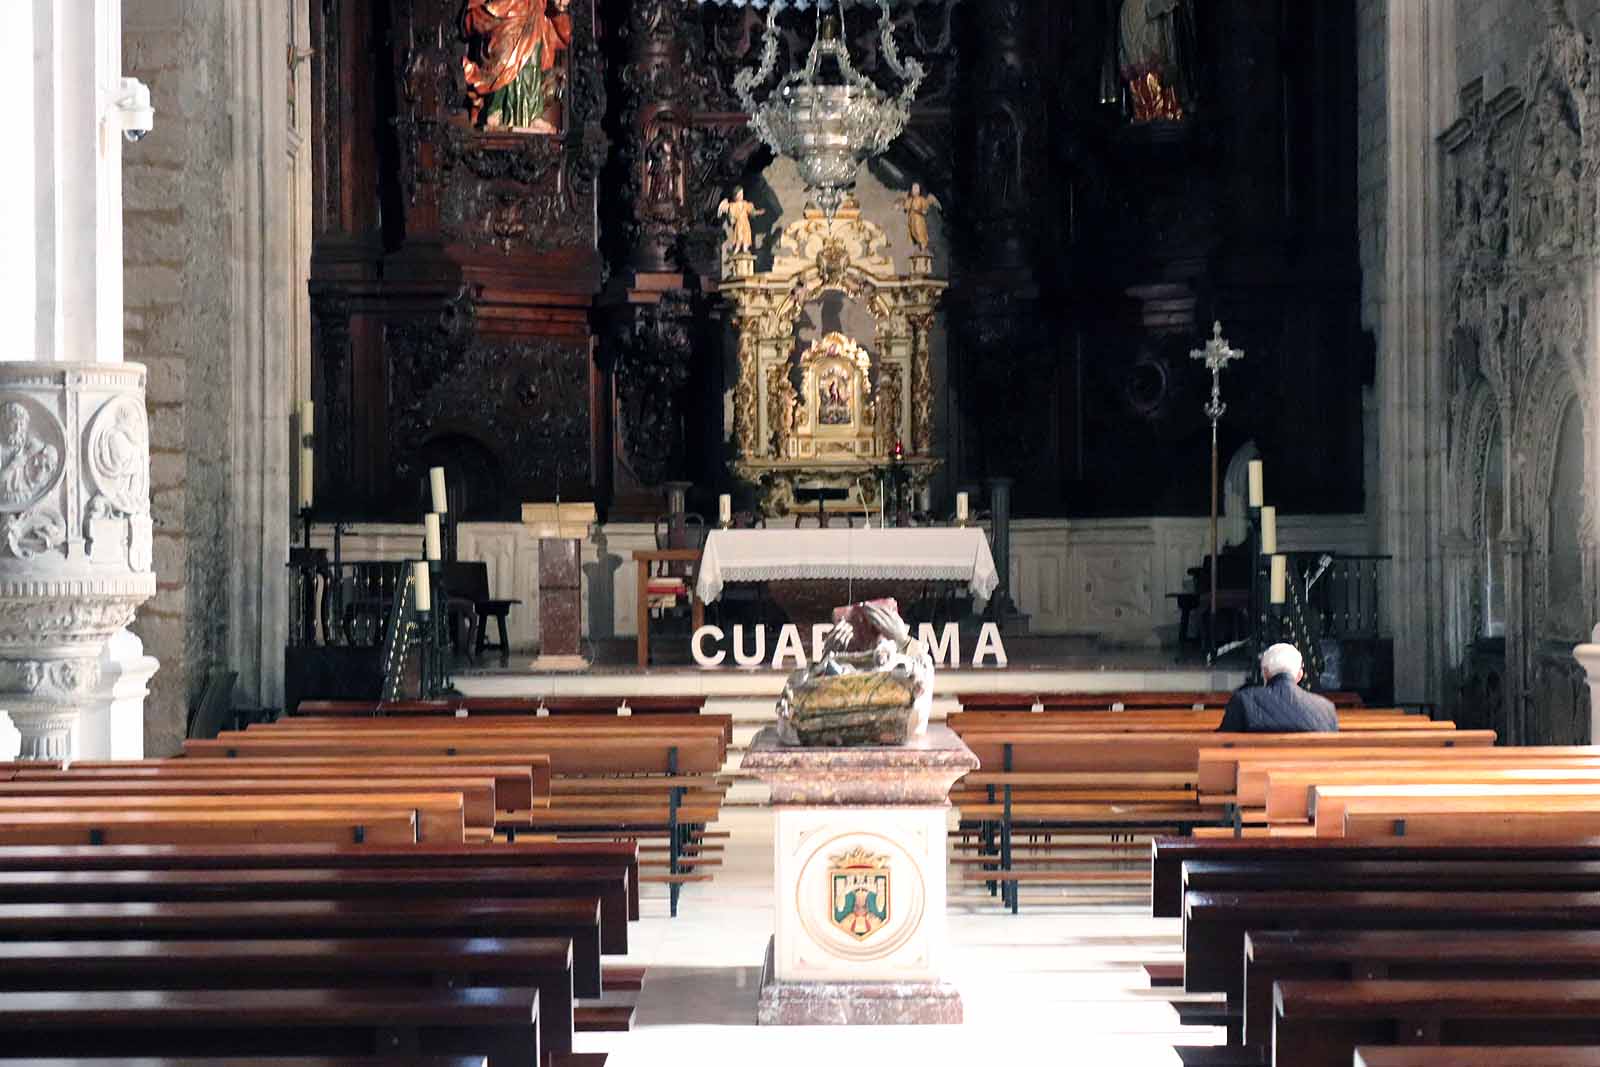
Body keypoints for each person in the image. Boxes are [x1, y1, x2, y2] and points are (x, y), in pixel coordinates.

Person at [1217, 642, 1338, 733]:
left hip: (1257, 766)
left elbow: (1222, 742)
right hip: (1310, 767)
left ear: (1265, 672)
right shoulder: (1326, 708)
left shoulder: (1243, 701)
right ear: (1299, 675)